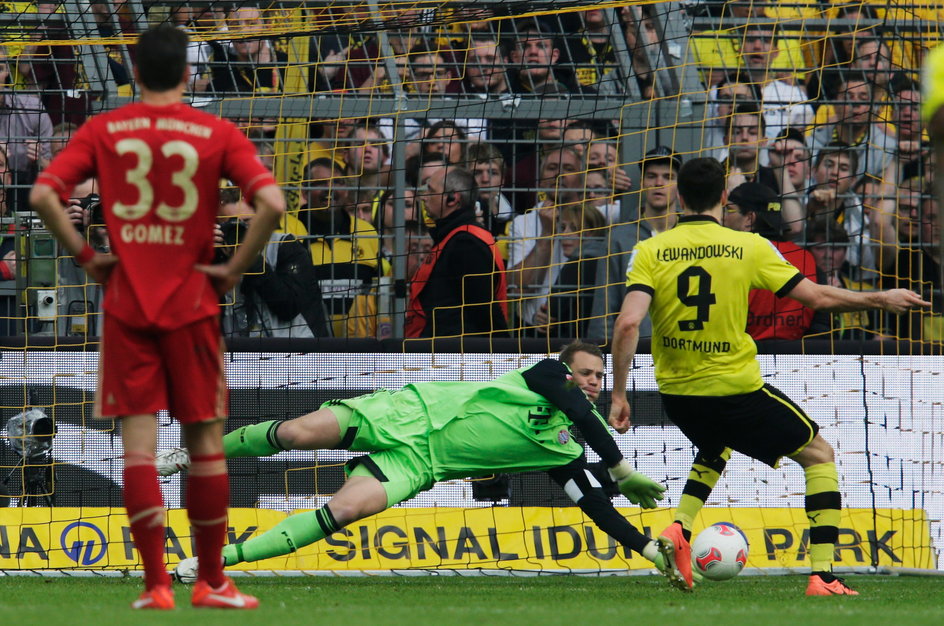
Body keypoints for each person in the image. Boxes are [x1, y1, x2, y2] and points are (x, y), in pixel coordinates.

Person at [28, 25, 286, 610]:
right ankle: (213, 581)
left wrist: (89, 256)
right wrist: (233, 269)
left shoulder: (104, 128)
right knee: (205, 442)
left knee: (138, 449)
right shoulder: (215, 132)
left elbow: (45, 193)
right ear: (189, 74)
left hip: (126, 302)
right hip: (193, 301)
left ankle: (154, 584)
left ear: (136, 74)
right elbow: (272, 202)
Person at [607, 157, 929, 595]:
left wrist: (619, 393)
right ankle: (823, 575)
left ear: (679, 197)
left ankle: (678, 529)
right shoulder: (748, 246)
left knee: (717, 440)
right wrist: (880, 297)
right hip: (734, 387)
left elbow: (627, 325)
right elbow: (816, 297)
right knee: (819, 454)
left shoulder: (649, 250)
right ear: (723, 197)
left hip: (678, 393)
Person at [158, 340, 691, 590]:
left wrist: (648, 549)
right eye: (587, 372)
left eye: (600, 376)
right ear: (565, 366)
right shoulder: (547, 375)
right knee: (297, 432)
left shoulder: (564, 450)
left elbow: (592, 504)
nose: (593, 382)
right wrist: (620, 467)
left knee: (344, 512)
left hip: (419, 463)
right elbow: (578, 408)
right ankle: (193, 454)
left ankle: (217, 561)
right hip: (408, 411)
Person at [586, 147, 681, 342]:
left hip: (685, 351)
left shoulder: (692, 236)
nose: (659, 183)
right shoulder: (620, 238)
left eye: (668, 176)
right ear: (643, 182)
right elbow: (605, 305)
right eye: (652, 176)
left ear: (679, 185)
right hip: (637, 351)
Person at [407, 159, 508, 338]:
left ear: (453, 198)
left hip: (454, 357)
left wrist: (505, 356)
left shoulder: (466, 244)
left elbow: (485, 311)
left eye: (431, 190)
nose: (424, 197)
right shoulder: (454, 237)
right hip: (444, 352)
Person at [217, 187, 328, 338]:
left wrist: (251, 260)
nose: (239, 230)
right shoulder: (214, 256)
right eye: (231, 225)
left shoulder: (285, 247)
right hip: (237, 353)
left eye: (246, 222)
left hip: (294, 352)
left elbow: (289, 307)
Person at [723, 182, 826, 340]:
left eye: (729, 210)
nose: (723, 217)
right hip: (799, 359)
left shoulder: (731, 259)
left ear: (749, 219)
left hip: (744, 359)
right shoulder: (807, 259)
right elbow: (822, 326)